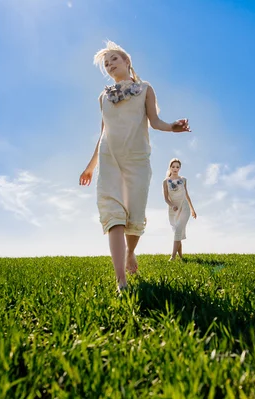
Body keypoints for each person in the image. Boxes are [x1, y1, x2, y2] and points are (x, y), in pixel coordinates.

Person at [79, 41, 191, 291]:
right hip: (109, 159)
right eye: (106, 63)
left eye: (114, 59)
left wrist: (173, 127)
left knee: (134, 215)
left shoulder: (145, 89)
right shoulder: (102, 97)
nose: (109, 65)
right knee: (113, 215)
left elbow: (155, 121)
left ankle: (131, 252)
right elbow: (102, 134)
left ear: (127, 61)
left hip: (137, 160)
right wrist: (90, 166)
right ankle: (121, 281)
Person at [163, 158, 197, 261]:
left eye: (177, 167)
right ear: (170, 167)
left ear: (180, 168)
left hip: (184, 208)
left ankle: (172, 257)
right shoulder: (166, 181)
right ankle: (181, 257)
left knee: (178, 230)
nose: (175, 169)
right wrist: (172, 205)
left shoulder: (183, 180)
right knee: (178, 232)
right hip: (173, 209)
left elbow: (187, 195)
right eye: (173, 166)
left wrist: (192, 209)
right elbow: (165, 198)